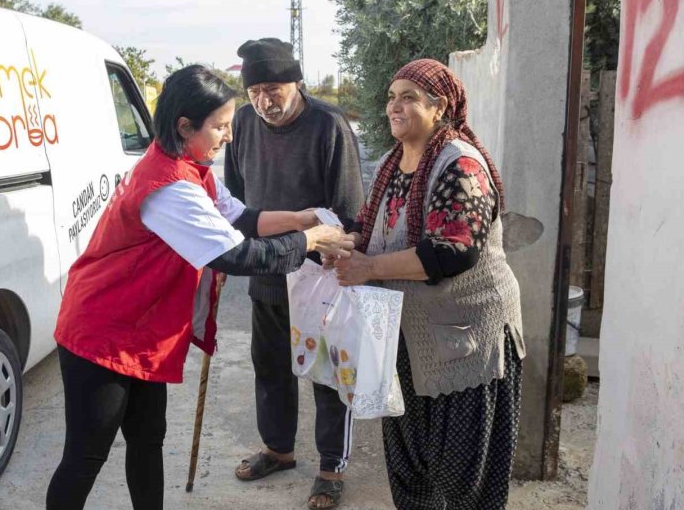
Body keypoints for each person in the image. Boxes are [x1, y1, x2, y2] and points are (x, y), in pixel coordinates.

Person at [46, 65, 352, 510]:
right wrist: (310, 241)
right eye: (220, 126)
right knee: (86, 455)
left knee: (148, 439)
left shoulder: (193, 168)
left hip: (141, 328)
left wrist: (301, 218)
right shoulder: (167, 186)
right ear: (184, 126)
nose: (229, 136)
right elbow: (239, 256)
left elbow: (242, 218)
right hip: (102, 330)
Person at [333, 59, 526, 510]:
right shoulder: (391, 164)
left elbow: (453, 252)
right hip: (408, 340)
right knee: (411, 467)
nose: (394, 106)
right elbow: (367, 223)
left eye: (409, 98)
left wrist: (368, 267)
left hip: (467, 342)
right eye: (391, 97)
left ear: (439, 108)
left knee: (463, 478)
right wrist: (341, 243)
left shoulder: (460, 164)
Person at [224, 38, 365, 510]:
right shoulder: (244, 123)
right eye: (255, 92)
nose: (264, 101)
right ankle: (278, 450)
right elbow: (235, 201)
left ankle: (331, 468)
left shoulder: (328, 124)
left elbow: (348, 207)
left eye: (273, 89)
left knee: (328, 372)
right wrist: (227, 248)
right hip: (266, 268)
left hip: (318, 274)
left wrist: (343, 255)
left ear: (297, 83)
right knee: (269, 366)